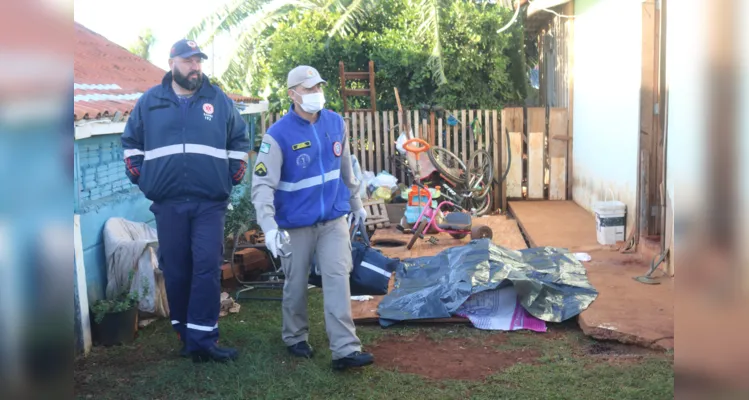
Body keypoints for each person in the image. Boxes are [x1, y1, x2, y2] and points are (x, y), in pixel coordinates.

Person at [121, 39, 250, 363]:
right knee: (176, 270)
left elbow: (239, 138)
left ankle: (205, 340)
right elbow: (131, 142)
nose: (195, 66)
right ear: (171, 62)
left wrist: (232, 175)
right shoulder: (150, 102)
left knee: (206, 266)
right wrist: (142, 177)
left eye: (198, 61)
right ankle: (185, 334)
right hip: (169, 203)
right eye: (188, 60)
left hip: (209, 202)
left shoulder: (217, 100)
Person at [251, 65, 374, 371]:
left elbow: (346, 167)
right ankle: (294, 336)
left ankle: (345, 349)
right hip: (294, 225)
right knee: (295, 284)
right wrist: (268, 227)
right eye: (308, 89)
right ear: (292, 94)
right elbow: (262, 185)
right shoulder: (277, 135)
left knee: (337, 278)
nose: (316, 94)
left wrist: (356, 202)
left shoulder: (335, 123)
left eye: (318, 87)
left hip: (332, 220)